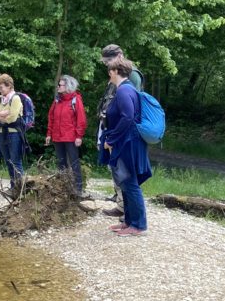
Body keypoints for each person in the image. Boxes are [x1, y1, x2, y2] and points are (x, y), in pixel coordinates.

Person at [98, 56, 151, 235]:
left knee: (130, 183)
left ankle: (139, 225)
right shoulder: (127, 89)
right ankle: (129, 221)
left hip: (128, 143)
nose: (108, 74)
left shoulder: (123, 91)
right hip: (128, 142)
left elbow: (127, 117)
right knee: (125, 183)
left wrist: (111, 139)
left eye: (109, 70)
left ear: (115, 72)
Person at [96, 44, 143, 215]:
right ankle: (121, 201)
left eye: (109, 60)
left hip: (122, 131)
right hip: (110, 126)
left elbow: (129, 109)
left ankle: (126, 209)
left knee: (125, 171)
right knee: (114, 167)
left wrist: (114, 135)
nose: (107, 65)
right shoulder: (116, 76)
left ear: (120, 56)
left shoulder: (132, 76)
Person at [45, 74, 88, 196]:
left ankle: (78, 189)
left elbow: (81, 119)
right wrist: (49, 134)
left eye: (60, 85)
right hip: (57, 137)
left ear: (68, 86)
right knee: (61, 163)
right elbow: (51, 117)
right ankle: (62, 187)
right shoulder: (57, 100)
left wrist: (79, 136)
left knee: (74, 162)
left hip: (71, 137)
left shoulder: (76, 100)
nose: (58, 87)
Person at [0, 73, 25, 189]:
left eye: (1, 87)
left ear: (9, 86)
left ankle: (21, 188)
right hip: (1, 134)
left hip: (14, 134)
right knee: (8, 161)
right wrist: (1, 114)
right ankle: (13, 187)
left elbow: (12, 118)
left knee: (15, 161)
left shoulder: (15, 98)